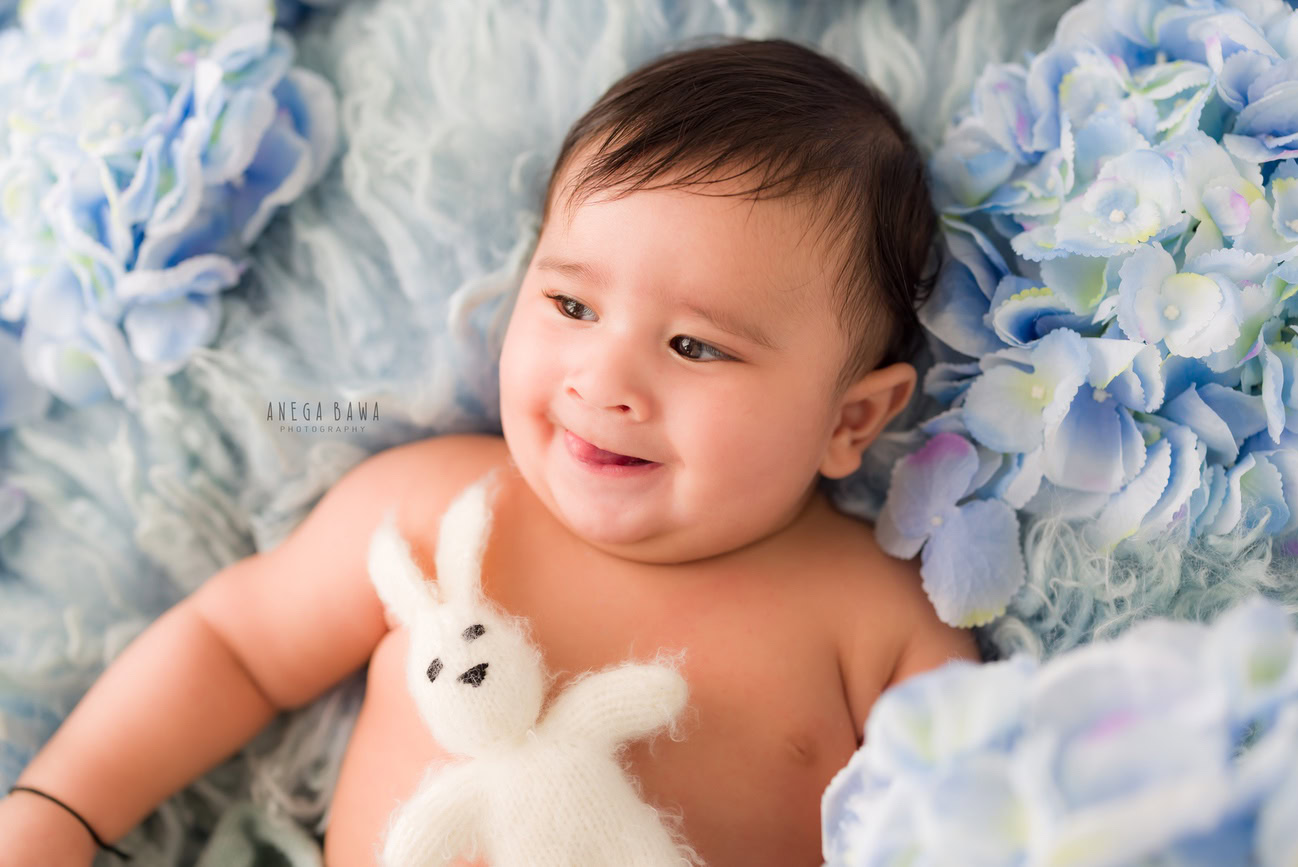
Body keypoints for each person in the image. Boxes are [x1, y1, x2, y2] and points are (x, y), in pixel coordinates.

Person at [0, 36, 980, 867]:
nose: (603, 383)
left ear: (850, 421)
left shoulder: (873, 622)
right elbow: (232, 649)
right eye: (570, 305)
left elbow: (984, 814)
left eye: (694, 345)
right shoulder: (436, 508)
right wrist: (61, 813)